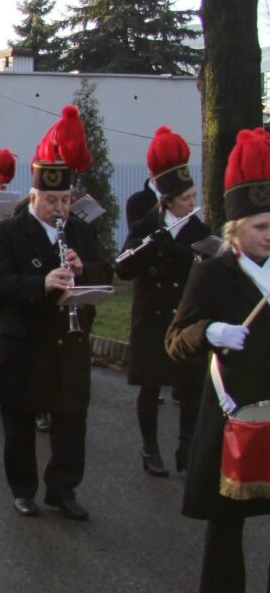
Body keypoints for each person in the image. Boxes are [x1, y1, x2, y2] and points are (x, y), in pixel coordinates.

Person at [0, 105, 112, 520]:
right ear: (34, 196)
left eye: (65, 200)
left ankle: (63, 489)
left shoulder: (80, 229)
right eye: (51, 200)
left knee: (71, 420)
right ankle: (23, 489)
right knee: (20, 423)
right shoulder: (8, 231)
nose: (60, 208)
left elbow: (103, 272)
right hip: (23, 339)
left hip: (68, 341)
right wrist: (41, 283)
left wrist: (82, 269)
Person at [166, 127, 270, 593]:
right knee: (225, 528)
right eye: (261, 228)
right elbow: (175, 340)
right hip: (233, 415)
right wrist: (208, 331)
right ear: (235, 229)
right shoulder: (211, 272)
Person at [116, 126, 211, 477]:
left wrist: (171, 247)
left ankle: (186, 444)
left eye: (193, 197)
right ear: (169, 199)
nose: (191, 202)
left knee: (189, 386)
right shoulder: (145, 224)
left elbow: (203, 267)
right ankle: (150, 448)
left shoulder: (200, 230)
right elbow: (124, 269)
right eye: (186, 198)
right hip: (152, 315)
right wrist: (145, 249)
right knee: (150, 384)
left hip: (185, 316)